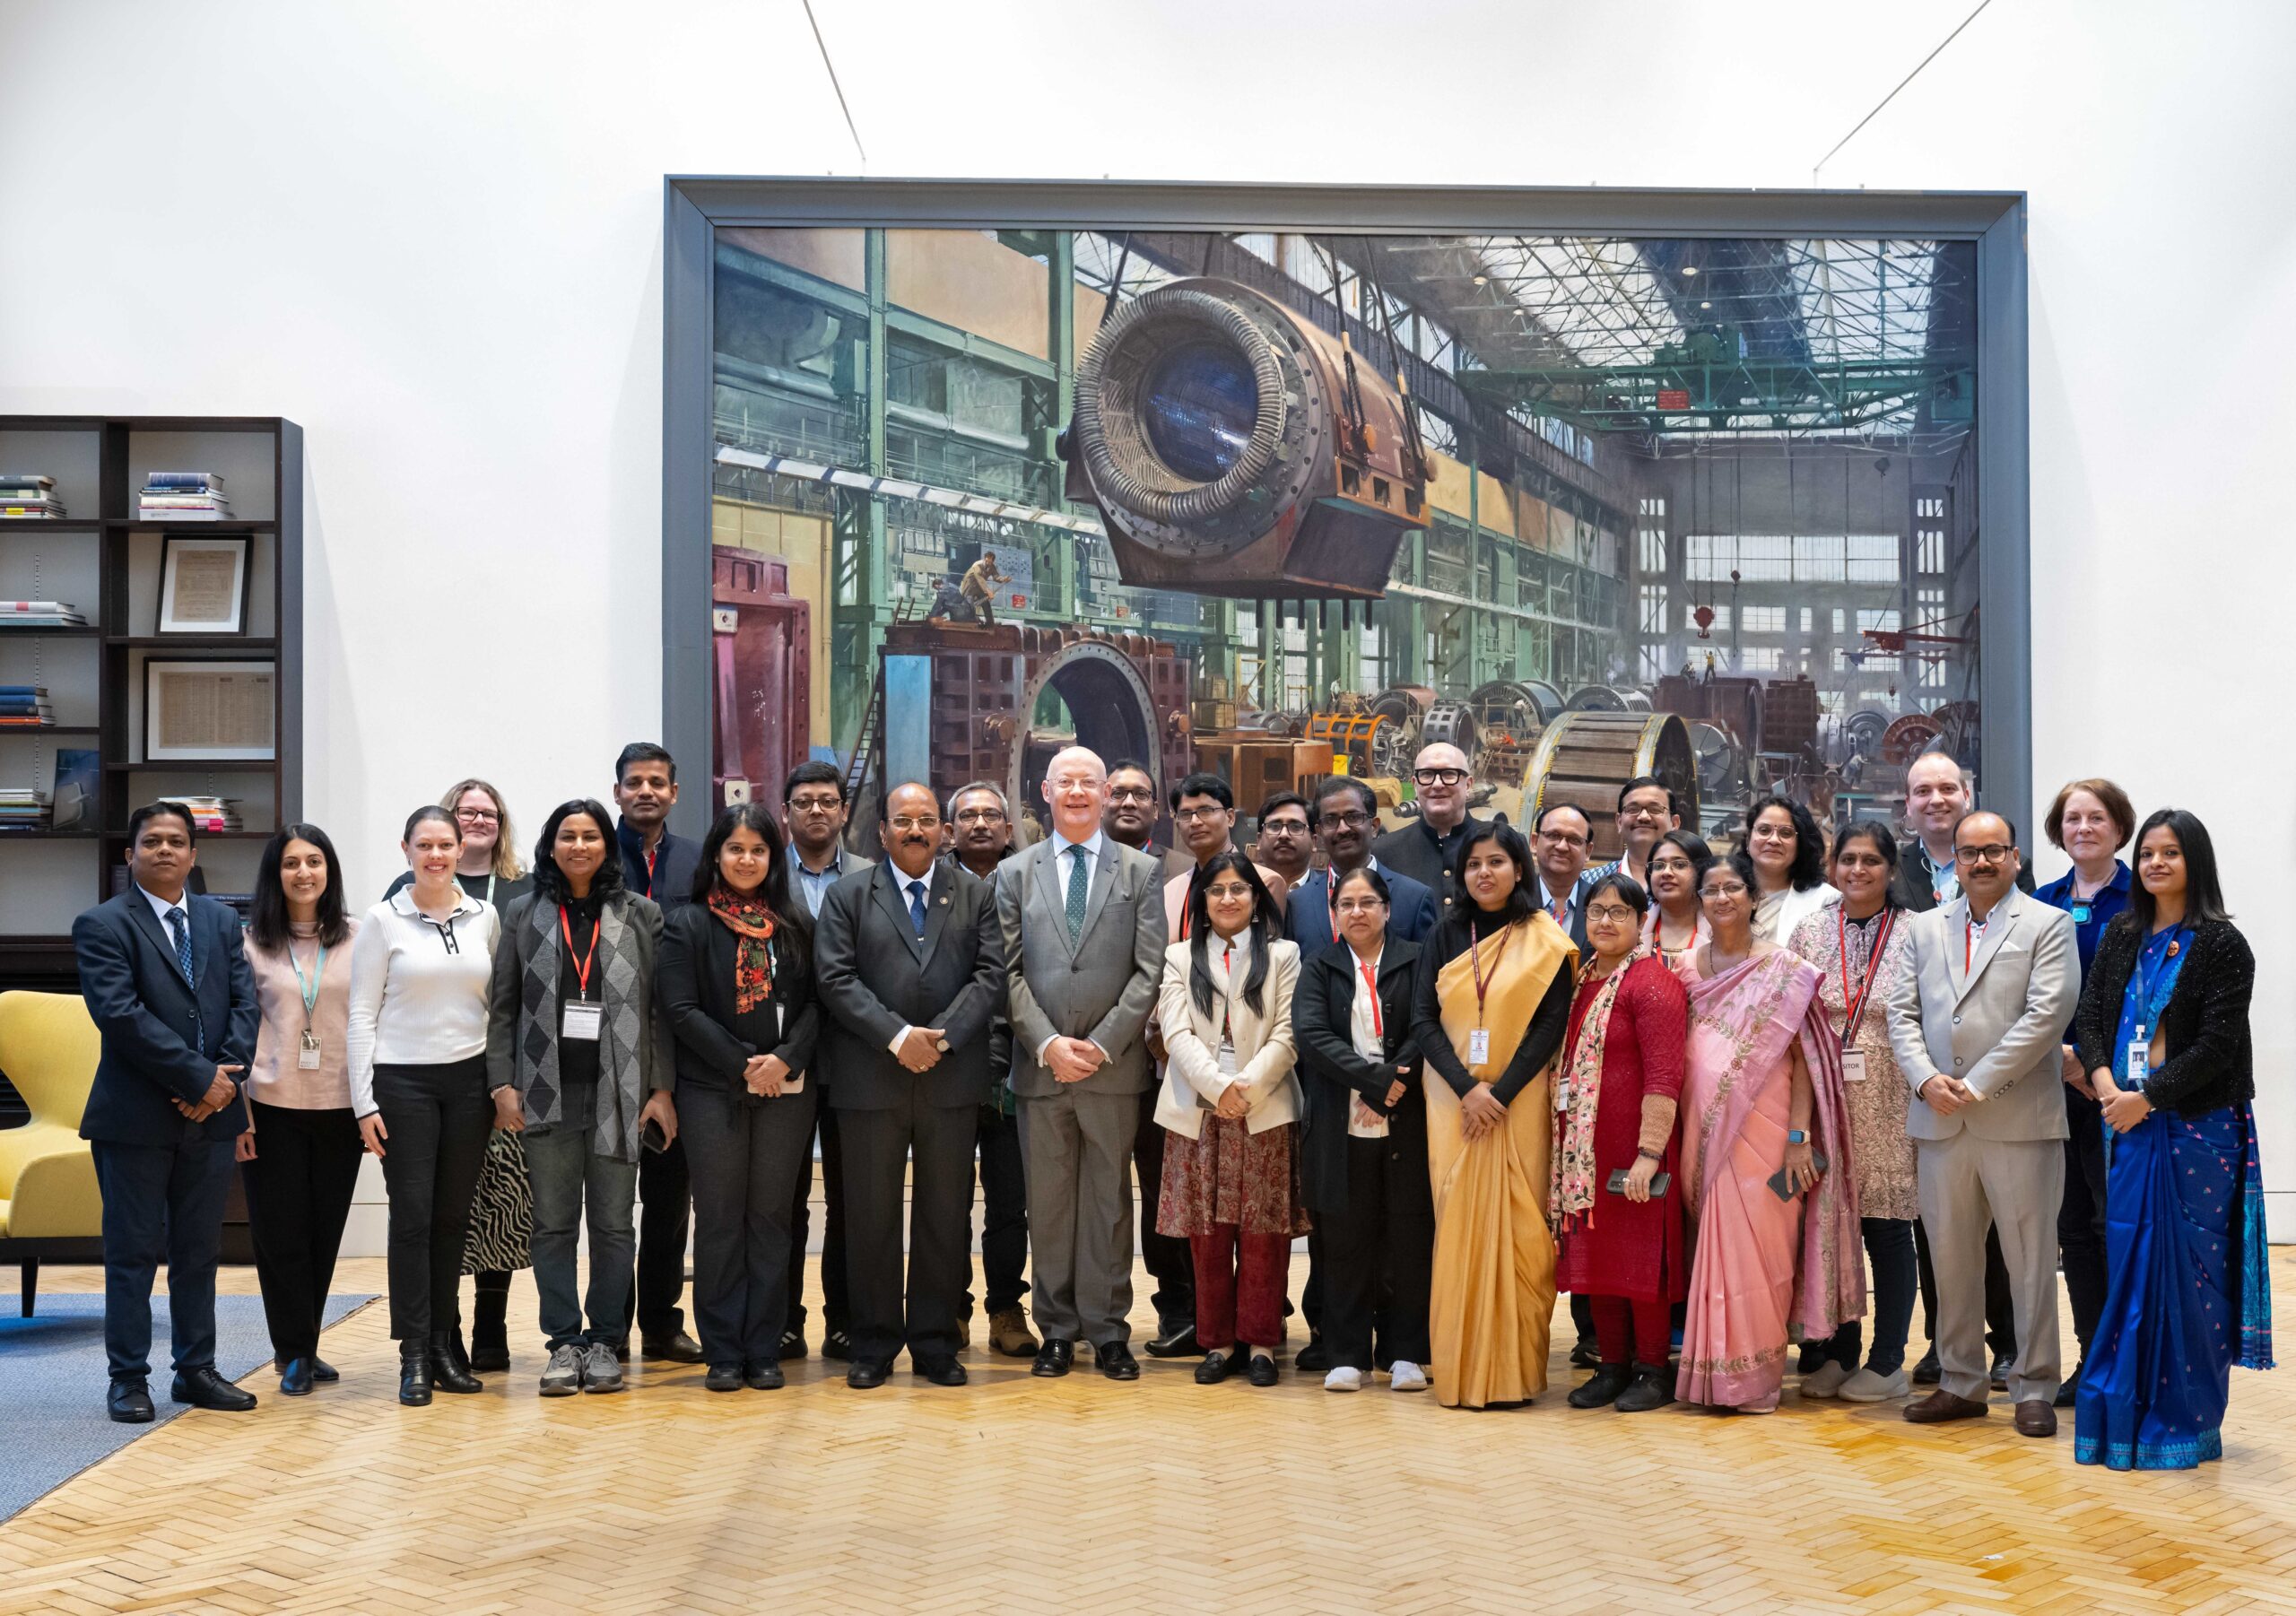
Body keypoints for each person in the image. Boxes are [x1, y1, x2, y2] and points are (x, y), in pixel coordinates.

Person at [2073, 809, 2270, 1470]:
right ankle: (2119, 1418)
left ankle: (2183, 1424)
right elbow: (2092, 1021)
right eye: (2150, 852)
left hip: (2196, 1129)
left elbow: (2218, 1044)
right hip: (2125, 1123)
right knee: (2129, 1263)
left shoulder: (2221, 944)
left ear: (2196, 863)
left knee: (2192, 1278)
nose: (2156, 863)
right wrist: (2108, 1089)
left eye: (2172, 853)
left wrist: (2147, 1097)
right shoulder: (2123, 935)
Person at [1886, 811, 2078, 1438]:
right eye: (1970, 853)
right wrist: (1924, 1078)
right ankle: (1961, 1383)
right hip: (1939, 1118)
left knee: (2027, 1263)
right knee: (1950, 1260)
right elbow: (1901, 1013)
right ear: (1957, 861)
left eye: (1995, 850)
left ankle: (2034, 1385)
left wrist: (1975, 1082)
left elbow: (2046, 1016)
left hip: (2018, 1118)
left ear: (2015, 857)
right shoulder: (1921, 928)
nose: (1982, 862)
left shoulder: (2047, 924)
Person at [74, 803, 262, 1422]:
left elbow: (245, 1003)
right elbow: (119, 1015)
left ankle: (196, 1369)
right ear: (130, 855)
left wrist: (223, 1080)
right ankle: (128, 1378)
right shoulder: (103, 924)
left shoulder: (219, 919)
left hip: (211, 1116)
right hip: (135, 1119)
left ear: (193, 854)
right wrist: (197, 1078)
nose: (164, 850)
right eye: (150, 841)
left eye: (176, 841)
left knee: (198, 1251)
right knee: (132, 1253)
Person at [814, 783, 1005, 1389]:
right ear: (882, 831)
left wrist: (941, 1037)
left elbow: (990, 975)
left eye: (927, 820)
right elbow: (836, 979)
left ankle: (935, 1343)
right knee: (869, 1218)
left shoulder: (973, 894)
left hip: (951, 1079)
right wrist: (900, 1037)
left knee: (945, 1217)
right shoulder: (848, 896)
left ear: (942, 831)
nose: (916, 830)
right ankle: (872, 1343)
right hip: (870, 1080)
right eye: (904, 821)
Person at [487, 797, 676, 1397]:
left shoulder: (642, 914)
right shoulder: (522, 913)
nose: (579, 846)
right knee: (553, 1226)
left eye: (590, 836)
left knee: (616, 1226)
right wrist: (501, 1083)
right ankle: (563, 1342)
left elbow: (657, 1012)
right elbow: (504, 1007)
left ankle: (605, 1341)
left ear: (606, 846)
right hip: (546, 1092)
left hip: (619, 1094)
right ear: (550, 845)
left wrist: (661, 1090)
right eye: (567, 836)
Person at [1674, 850, 1864, 1413]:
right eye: (1712, 890)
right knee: (1710, 1246)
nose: (1723, 898)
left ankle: (1754, 1380)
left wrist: (1799, 1137)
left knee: (1764, 1250)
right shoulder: (1685, 970)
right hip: (1700, 1131)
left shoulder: (1784, 969)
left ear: (1755, 898)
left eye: (1735, 887)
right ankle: (1710, 1374)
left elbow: (1806, 1058)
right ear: (1699, 901)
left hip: (1772, 1129)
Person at [999, 745, 1166, 1382]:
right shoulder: (1014, 874)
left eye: (1088, 783)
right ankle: (1058, 1331)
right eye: (1064, 781)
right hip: (1041, 1072)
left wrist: (1100, 1045)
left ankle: (1109, 1330)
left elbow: (1150, 970)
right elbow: (1008, 973)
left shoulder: (1138, 873)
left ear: (1104, 795)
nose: (1076, 792)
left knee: (1108, 1205)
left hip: (1112, 1071)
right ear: (1045, 791)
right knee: (1049, 1206)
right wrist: (1048, 1044)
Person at [1409, 821, 1576, 1409]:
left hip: (1519, 1104)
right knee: (1456, 1226)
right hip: (1452, 1104)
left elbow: (1549, 1026)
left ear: (1519, 869)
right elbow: (1422, 1019)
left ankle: (1516, 1374)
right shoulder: (1446, 934)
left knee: (1523, 1231)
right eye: (1474, 863)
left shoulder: (1545, 938)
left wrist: (1498, 1094)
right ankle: (1460, 1370)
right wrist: (1468, 1090)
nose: (1485, 872)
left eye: (1497, 862)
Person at [347, 805, 507, 1407]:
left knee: (451, 1220)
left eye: (446, 844)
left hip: (468, 1084)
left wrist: (498, 1085)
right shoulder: (383, 920)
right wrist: (363, 1102)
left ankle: (445, 1346)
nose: (436, 856)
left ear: (461, 847)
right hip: (402, 1083)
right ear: (406, 850)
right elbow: (361, 1015)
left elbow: (494, 1007)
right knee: (412, 1218)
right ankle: (413, 1353)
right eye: (425, 846)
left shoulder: (484, 916)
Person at [658, 804, 820, 1393]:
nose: (746, 860)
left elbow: (816, 1006)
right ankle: (724, 1350)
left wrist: (784, 1060)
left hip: (787, 1090)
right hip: (711, 1092)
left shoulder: (795, 922)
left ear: (773, 858)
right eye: (735, 849)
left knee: (772, 1220)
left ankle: (765, 1345)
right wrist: (743, 1065)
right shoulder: (687, 924)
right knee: (722, 1221)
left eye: (758, 850)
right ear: (716, 856)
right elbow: (679, 1008)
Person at [1283, 775, 1436, 1372]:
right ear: (1334, 911)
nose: (1357, 911)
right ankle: (1345, 1352)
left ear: (1388, 908)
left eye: (1368, 902)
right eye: (1346, 904)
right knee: (1342, 1241)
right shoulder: (1319, 967)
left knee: (1405, 1241)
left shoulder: (1415, 959)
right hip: (1337, 1117)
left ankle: (1405, 1353)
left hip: (1407, 1118)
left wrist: (1400, 1076)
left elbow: (1430, 1023)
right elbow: (1312, 1035)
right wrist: (1373, 1080)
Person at [384, 778, 532, 1376]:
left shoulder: (518, 892)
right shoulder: (407, 893)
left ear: (501, 822)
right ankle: (441, 1338)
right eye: (465, 813)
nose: (477, 822)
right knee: (435, 1212)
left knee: (498, 1202)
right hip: (420, 1077)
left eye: (487, 813)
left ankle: (490, 1327)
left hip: (492, 1074)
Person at [1149, 769, 1289, 1353]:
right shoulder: (1181, 956)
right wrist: (1216, 1087)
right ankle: (1216, 1343)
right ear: (1202, 902)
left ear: (1256, 898)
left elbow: (1288, 1032)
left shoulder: (1284, 954)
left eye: (1239, 891)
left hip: (1265, 1106)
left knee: (1263, 1232)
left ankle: (1258, 1341)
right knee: (1206, 1234)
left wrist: (1247, 1087)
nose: (1228, 899)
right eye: (1217, 892)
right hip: (1197, 1107)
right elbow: (1175, 1030)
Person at [1787, 821, 1922, 1402]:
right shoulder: (1811, 932)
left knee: (1887, 1232)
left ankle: (1889, 1361)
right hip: (1824, 1096)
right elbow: (1791, 1021)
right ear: (1831, 866)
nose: (1859, 870)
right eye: (1849, 860)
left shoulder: (1919, 932)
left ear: (1891, 869)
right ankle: (1841, 1351)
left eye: (1871, 860)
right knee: (1831, 1230)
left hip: (1893, 1098)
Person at [1554, 872, 1689, 1414]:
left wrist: (1649, 1152)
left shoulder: (1653, 983)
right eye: (1595, 911)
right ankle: (1611, 1366)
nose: (1605, 922)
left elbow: (1664, 1076)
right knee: (1599, 1257)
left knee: (1642, 1261)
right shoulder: (1579, 979)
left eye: (1618, 912)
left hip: (1635, 1151)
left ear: (1641, 922)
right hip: (1586, 1149)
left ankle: (1652, 1370)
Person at [238, 824, 361, 1397]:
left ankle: (305, 1342)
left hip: (340, 1105)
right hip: (270, 1104)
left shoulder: (360, 938)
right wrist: (238, 1111)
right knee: (280, 1232)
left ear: (330, 870)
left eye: (314, 861)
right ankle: (292, 1351)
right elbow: (233, 1030)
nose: (304, 872)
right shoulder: (249, 943)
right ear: (275, 874)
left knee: (324, 1228)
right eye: (291, 863)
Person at [2032, 777, 2136, 1407]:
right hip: (2054, 1082)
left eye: (2097, 817)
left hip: (2120, 1089)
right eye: (2072, 818)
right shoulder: (2043, 902)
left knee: (2114, 1222)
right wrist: (2060, 1058)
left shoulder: (2141, 898)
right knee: (2072, 1224)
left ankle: (2129, 1361)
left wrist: (2091, 1064)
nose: (2084, 828)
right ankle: (2093, 1358)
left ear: (2119, 827)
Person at [611, 743, 705, 1365]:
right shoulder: (591, 854)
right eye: (634, 782)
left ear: (675, 793)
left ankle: (663, 1324)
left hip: (680, 1055)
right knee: (612, 1207)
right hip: (606, 1057)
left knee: (670, 1205)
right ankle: (610, 1330)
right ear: (617, 791)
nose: (646, 791)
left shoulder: (699, 862)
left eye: (657, 782)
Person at [779, 760, 873, 1361]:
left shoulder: (872, 876)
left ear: (844, 811)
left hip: (853, 1061)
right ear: (786, 811)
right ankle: (784, 1320)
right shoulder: (762, 875)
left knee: (851, 1198)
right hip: (783, 1062)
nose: (816, 810)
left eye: (827, 801)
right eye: (804, 801)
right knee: (782, 1198)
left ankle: (845, 1320)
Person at [945, 780, 1035, 1360]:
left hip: (1015, 1073)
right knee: (945, 1199)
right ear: (950, 829)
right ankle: (947, 1308)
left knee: (1010, 1202)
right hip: (945, 1070)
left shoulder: (1030, 881)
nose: (980, 824)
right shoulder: (931, 887)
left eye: (991, 815)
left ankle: (1006, 1307)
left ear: (1008, 828)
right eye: (968, 815)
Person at [1286, 776, 1437, 959]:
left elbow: (1426, 976)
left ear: (1374, 827)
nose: (1342, 829)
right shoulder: (1296, 904)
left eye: (1353, 817)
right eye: (1331, 820)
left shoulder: (1415, 899)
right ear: (1318, 833)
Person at [1371, 742, 1486, 918]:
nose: (1437, 784)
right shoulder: (1384, 852)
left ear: (1469, 785)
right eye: (1427, 774)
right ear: (1415, 785)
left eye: (1449, 774)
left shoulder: (1503, 846)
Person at [1744, 795, 1838, 944]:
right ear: (1748, 839)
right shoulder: (1722, 891)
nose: (1773, 840)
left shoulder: (1826, 900)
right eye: (1764, 830)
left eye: (1786, 833)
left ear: (1801, 844)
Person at [1585, 776, 1681, 891]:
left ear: (1674, 823)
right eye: (1633, 809)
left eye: (1655, 809)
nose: (1643, 817)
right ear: (1619, 822)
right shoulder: (1589, 883)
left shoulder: (1692, 883)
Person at [1530, 802, 1595, 956]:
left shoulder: (1601, 904)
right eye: (1553, 835)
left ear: (1587, 851)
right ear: (1534, 842)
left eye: (1574, 840)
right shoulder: (1512, 899)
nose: (1562, 847)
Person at [1642, 829, 1713, 966]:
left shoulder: (1722, 932)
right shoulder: (1633, 931)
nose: (1666, 872)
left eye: (1679, 865)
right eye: (1658, 866)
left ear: (1702, 872)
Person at [1100, 757, 1162, 861]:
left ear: (1155, 810)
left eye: (1141, 794)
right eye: (1117, 793)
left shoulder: (1184, 869)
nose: (1129, 803)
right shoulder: (1082, 866)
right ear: (1101, 806)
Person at [1252, 790, 1314, 891]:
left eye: (1295, 827)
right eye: (1275, 826)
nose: (1284, 835)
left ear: (1314, 841)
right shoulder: (1244, 890)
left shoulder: (1330, 893)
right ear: (1259, 840)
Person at [958, 549, 1011, 626]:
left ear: (992, 561)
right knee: (969, 604)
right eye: (987, 561)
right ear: (984, 559)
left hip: (980, 587)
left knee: (986, 604)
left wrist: (1003, 579)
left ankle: (990, 623)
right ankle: (967, 623)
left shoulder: (992, 566)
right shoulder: (977, 565)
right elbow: (979, 578)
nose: (988, 563)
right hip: (970, 586)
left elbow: (996, 577)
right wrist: (988, 591)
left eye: (990, 562)